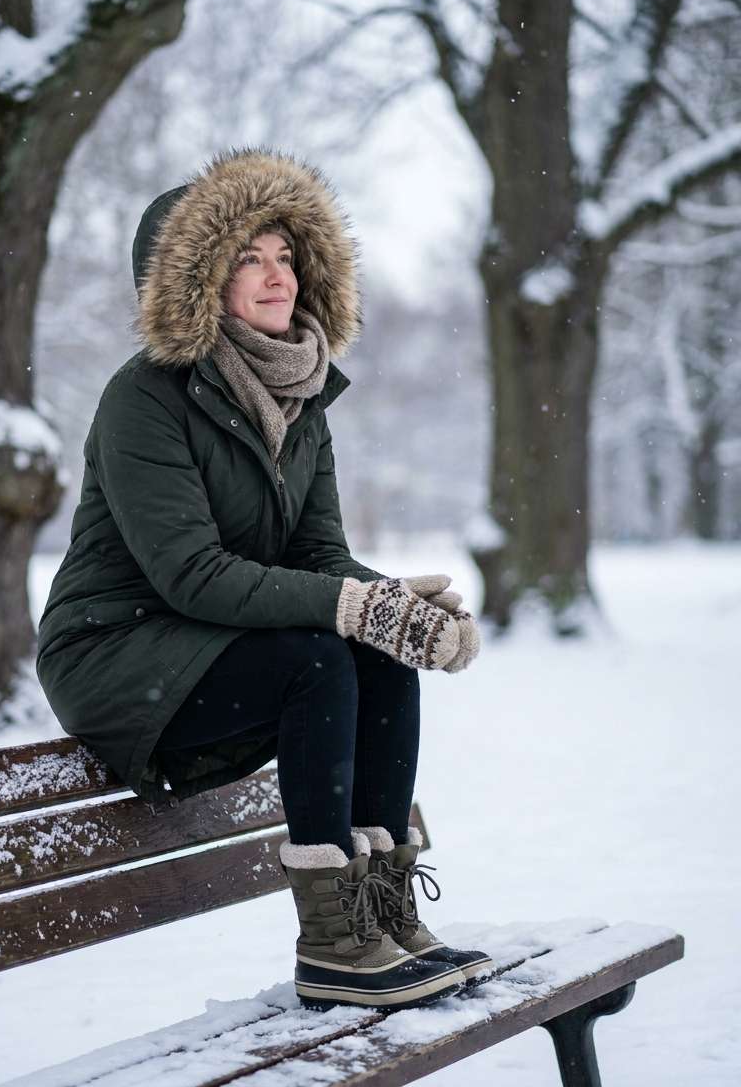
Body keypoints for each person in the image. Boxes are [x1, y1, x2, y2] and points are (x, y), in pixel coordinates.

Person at [36, 148, 492, 1011]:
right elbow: (192, 574)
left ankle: (381, 913)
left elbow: (318, 558)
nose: (275, 274)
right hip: (117, 655)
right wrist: (354, 608)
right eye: (247, 257)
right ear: (196, 282)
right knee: (320, 656)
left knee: (372, 655)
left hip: (211, 644)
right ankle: (331, 944)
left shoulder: (304, 398)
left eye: (284, 254)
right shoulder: (144, 399)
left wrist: (393, 606)